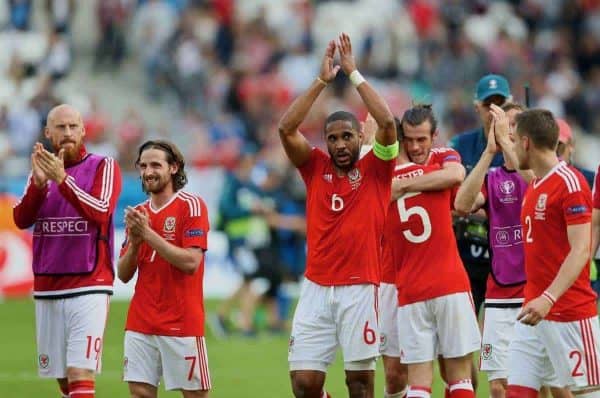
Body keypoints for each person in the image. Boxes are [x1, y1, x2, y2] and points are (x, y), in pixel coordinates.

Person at [279, 33, 398, 398]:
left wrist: (355, 74)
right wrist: (321, 81)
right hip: (316, 287)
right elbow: (286, 128)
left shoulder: (377, 169)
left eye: (348, 136)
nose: (341, 144)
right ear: (325, 142)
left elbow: (389, 123)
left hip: (360, 287)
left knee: (359, 384)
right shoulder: (314, 167)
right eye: (333, 138)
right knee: (304, 383)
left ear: (359, 138)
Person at [12, 104, 122, 398]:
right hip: (48, 285)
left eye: (74, 126)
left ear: (84, 130)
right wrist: (38, 184)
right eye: (61, 127)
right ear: (48, 133)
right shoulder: (40, 170)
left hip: (89, 285)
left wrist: (63, 180)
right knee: (62, 378)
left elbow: (101, 212)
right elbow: (21, 220)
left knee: (79, 372)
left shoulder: (103, 166)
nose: (68, 133)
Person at [506, 109, 600, 397]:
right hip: (533, 314)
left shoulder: (570, 183)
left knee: (587, 394)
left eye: (513, 140)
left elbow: (581, 249)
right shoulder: (536, 183)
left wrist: (548, 298)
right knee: (517, 393)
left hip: (569, 312)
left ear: (526, 143)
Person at [387, 108, 480, 398]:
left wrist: (401, 186)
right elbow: (464, 187)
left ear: (434, 137)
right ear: (401, 139)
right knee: (461, 378)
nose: (415, 147)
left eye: (421, 140)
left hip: (410, 288)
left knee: (418, 383)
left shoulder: (383, 180)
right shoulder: (440, 170)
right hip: (449, 282)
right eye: (410, 140)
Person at [117, 140, 211, 397]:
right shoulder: (138, 213)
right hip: (141, 320)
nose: (148, 171)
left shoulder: (191, 205)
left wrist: (147, 234)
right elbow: (123, 275)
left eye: (156, 165)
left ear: (173, 168)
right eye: (143, 165)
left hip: (182, 321)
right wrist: (135, 244)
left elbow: (191, 263)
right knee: (140, 394)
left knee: (195, 395)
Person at [454, 102, 531, 398]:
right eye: (502, 125)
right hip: (499, 294)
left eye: (512, 125)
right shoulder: (493, 178)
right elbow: (461, 204)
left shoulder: (538, 175)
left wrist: (509, 147)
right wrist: (488, 153)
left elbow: (534, 183)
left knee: (537, 384)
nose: (505, 130)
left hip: (533, 293)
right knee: (499, 387)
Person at [449, 74, 512, 318]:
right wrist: (498, 210)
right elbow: (454, 202)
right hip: (466, 252)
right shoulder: (459, 145)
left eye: (501, 103)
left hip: (507, 256)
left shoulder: (519, 149)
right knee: (458, 335)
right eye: (488, 104)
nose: (494, 110)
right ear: (477, 106)